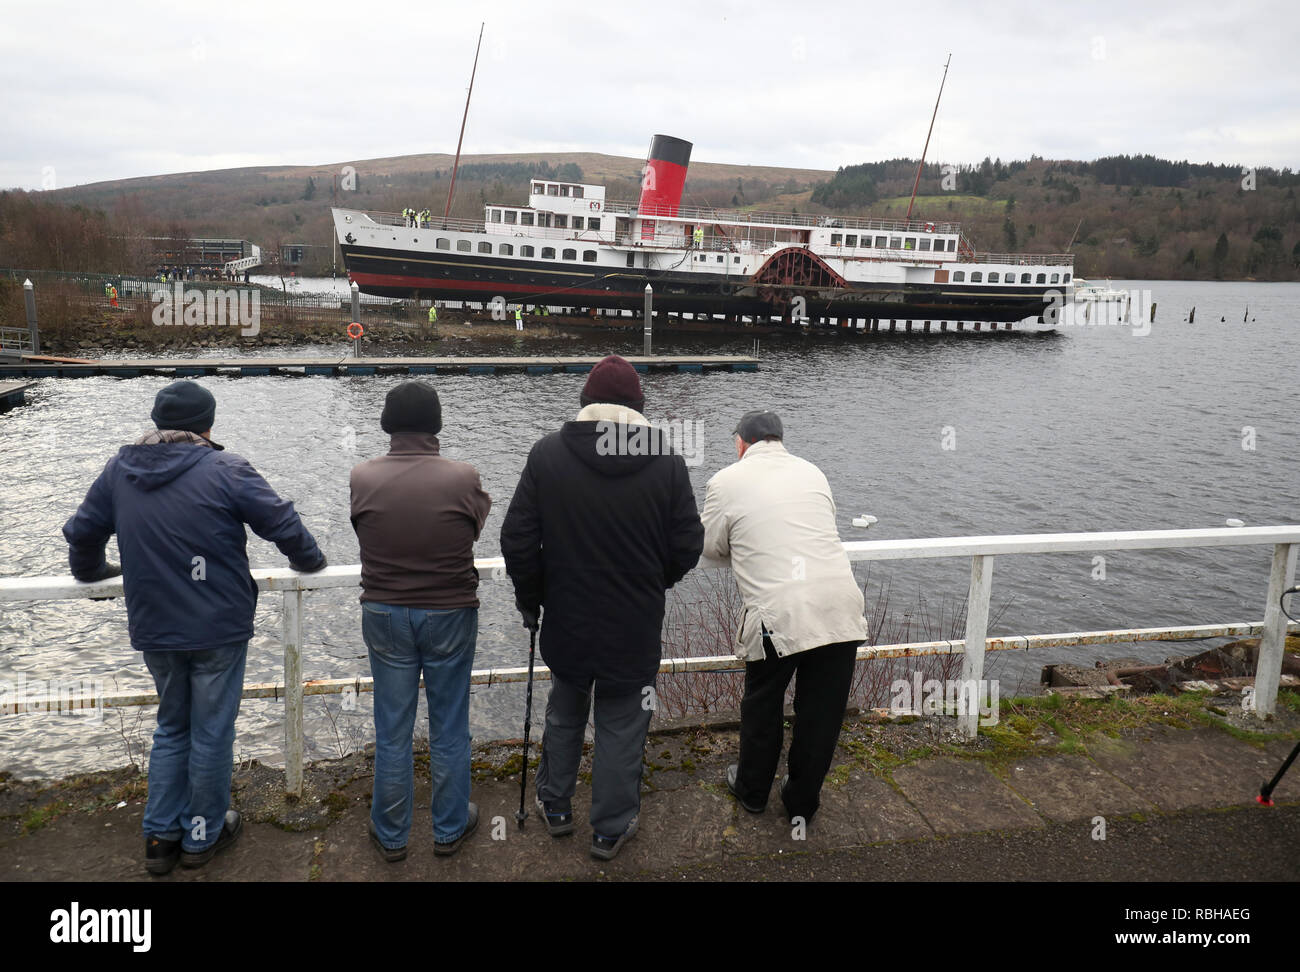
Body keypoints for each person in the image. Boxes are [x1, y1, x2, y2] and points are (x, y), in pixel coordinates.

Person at [62, 381, 327, 875]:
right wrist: (311, 561)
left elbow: (82, 532)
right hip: (217, 627)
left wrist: (91, 571)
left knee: (171, 727)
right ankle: (202, 834)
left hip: (155, 625)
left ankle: (161, 839)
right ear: (208, 424)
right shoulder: (226, 468)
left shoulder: (120, 470)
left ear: (159, 422)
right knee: (211, 731)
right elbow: (282, 523)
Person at [501, 354, 703, 860]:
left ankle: (557, 806)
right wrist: (654, 581)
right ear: (640, 407)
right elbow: (688, 545)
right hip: (632, 625)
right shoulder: (668, 463)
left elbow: (518, 540)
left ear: (585, 402)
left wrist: (533, 597)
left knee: (566, 711)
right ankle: (610, 829)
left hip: (568, 619)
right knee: (621, 721)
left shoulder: (547, 455)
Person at [701, 409, 868, 825]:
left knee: (764, 704)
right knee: (821, 714)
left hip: (779, 615)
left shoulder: (726, 480)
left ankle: (753, 791)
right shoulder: (813, 473)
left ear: (741, 443)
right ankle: (801, 803)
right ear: (779, 439)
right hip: (838, 606)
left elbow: (709, 548)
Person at [350, 381, 491, 860]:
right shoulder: (463, 476)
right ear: (437, 424)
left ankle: (391, 835)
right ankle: (449, 829)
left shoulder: (362, 476)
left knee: (392, 727)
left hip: (385, 611)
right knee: (451, 725)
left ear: (388, 424)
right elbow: (473, 527)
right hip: (450, 610)